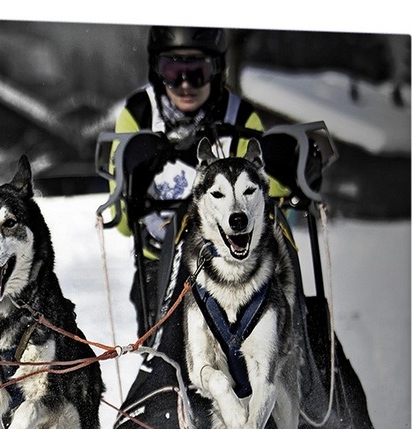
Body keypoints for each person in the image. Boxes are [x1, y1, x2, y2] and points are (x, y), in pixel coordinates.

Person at [109, 25, 286, 336]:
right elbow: (123, 224)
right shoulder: (138, 114)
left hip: (235, 265)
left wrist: (283, 167)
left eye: (198, 71)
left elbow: (269, 196)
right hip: (161, 263)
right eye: (173, 71)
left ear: (216, 71)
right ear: (156, 70)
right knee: (173, 351)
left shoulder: (240, 117)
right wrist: (133, 175)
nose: (185, 83)